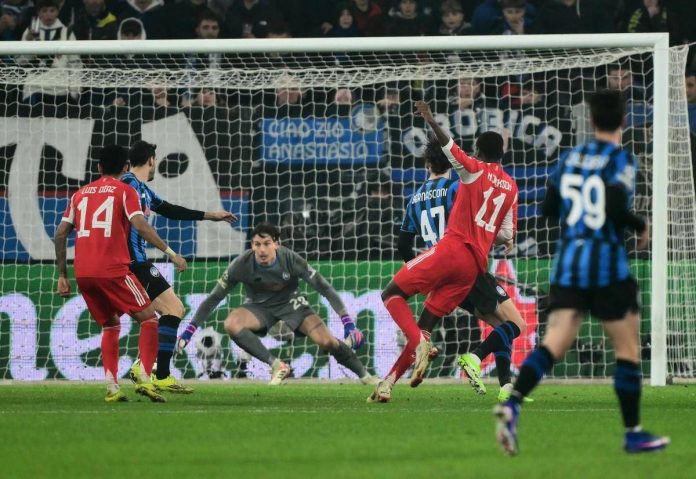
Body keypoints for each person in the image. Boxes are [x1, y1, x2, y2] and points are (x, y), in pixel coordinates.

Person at [493, 89, 669, 455]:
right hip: (607, 266)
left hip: (569, 264)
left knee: (554, 343)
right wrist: (640, 224)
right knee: (627, 347)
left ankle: (513, 404)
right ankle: (633, 432)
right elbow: (614, 204)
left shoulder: (570, 158)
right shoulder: (621, 159)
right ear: (623, 121)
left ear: (591, 120)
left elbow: (548, 209)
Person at [376, 100, 518, 400]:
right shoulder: (478, 186)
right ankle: (495, 376)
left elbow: (403, 244)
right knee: (508, 325)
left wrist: (419, 274)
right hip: (469, 263)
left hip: (441, 258)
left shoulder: (419, 196)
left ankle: (390, 381)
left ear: (427, 164)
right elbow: (501, 231)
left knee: (415, 321)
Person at [54, 144, 187, 403]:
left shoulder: (79, 195)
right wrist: (171, 253)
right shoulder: (126, 191)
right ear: (126, 167)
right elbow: (141, 226)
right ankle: (145, 378)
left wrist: (62, 275)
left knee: (111, 324)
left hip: (84, 273)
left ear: (98, 167)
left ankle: (112, 388)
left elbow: (60, 234)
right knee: (149, 319)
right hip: (113, 269)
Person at [177, 223, 378, 385]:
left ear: (276, 244)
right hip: (259, 308)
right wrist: (188, 332)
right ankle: (276, 365)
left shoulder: (290, 259)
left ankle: (366, 376)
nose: (262, 250)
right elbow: (213, 298)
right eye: (257, 244)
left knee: (328, 342)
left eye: (266, 243)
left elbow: (324, 287)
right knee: (231, 323)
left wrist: (348, 323)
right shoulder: (241, 265)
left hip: (293, 305)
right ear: (252, 246)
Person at [123, 141, 236, 394]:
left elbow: (170, 210)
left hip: (132, 263)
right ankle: (158, 373)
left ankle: (147, 368)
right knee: (173, 308)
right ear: (151, 160)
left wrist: (210, 215)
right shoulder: (128, 186)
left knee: (158, 315)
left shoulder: (142, 189)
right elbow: (140, 225)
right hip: (133, 263)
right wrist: (171, 254)